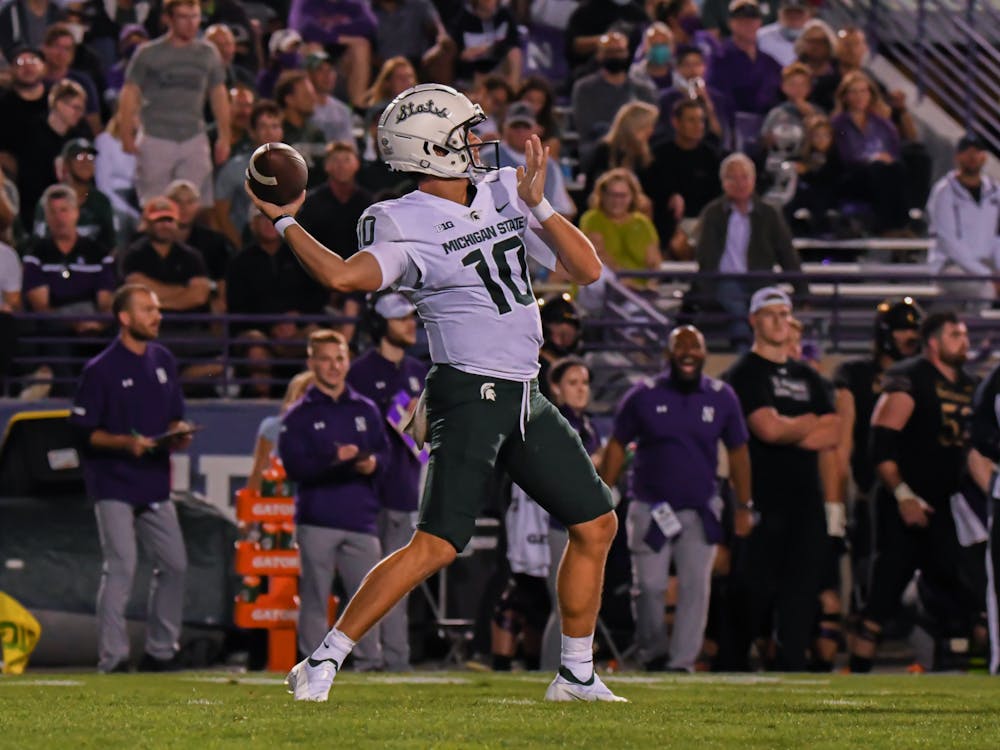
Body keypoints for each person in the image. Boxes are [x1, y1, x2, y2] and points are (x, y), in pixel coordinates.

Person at [245, 82, 623, 703]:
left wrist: (543, 208)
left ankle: (576, 673)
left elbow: (586, 271)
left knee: (596, 522)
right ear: (431, 150)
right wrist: (285, 219)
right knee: (438, 544)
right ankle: (323, 660)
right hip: (470, 390)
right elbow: (343, 275)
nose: (478, 141)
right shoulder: (399, 219)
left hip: (524, 392)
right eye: (464, 133)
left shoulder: (506, 187)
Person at [602, 325, 751, 672]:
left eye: (694, 346)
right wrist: (605, 491)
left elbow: (739, 451)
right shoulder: (642, 395)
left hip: (700, 508)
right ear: (668, 354)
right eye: (679, 346)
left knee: (696, 589)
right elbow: (617, 444)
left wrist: (744, 505)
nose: (687, 352)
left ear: (704, 353)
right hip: (649, 506)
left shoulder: (721, 396)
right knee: (650, 588)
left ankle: (682, 662)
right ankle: (652, 652)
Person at [69, 283, 194, 673]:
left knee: (175, 564)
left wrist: (178, 430)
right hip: (114, 482)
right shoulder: (100, 369)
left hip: (154, 481)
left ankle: (161, 650)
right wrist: (126, 443)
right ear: (124, 318)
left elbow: (175, 412)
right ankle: (114, 657)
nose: (157, 316)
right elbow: (84, 433)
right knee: (122, 566)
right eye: (147, 310)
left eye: (157, 309)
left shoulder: (163, 359)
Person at [848, 311, 978, 672]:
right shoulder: (910, 377)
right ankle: (854, 679)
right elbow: (881, 443)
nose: (964, 341)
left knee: (962, 595)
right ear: (933, 342)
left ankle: (954, 675)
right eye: (955, 334)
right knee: (880, 599)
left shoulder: (970, 384)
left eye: (965, 334)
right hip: (904, 505)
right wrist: (903, 494)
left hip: (951, 506)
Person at [720, 287, 842, 671]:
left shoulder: (808, 375)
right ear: (754, 320)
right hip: (761, 497)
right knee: (754, 587)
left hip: (806, 499)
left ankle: (792, 664)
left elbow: (834, 430)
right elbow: (766, 429)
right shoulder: (743, 373)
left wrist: (791, 425)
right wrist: (806, 423)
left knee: (803, 590)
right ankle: (735, 661)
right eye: (770, 314)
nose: (779, 322)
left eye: (785, 314)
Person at [278, 329, 390, 669]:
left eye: (339, 358)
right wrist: (334, 459)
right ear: (311, 363)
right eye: (325, 359)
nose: (333, 366)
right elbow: (294, 467)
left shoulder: (365, 408)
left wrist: (372, 463)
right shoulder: (298, 414)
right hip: (317, 519)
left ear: (348, 361)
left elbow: (386, 457)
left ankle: (370, 660)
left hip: (361, 519)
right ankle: (314, 665)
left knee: (369, 596)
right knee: (315, 597)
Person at [347, 293, 429, 672]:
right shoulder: (361, 372)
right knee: (365, 581)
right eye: (401, 318)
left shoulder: (419, 371)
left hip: (404, 489)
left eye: (412, 316)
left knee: (399, 582)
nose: (411, 323)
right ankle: (368, 657)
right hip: (365, 493)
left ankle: (397, 658)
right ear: (380, 324)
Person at [833, 298, 923, 617]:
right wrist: (841, 494)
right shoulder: (856, 374)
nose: (910, 336)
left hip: (918, 487)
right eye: (902, 329)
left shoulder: (925, 376)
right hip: (871, 487)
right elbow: (843, 438)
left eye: (914, 328)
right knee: (869, 564)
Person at [117, 0, 231, 207]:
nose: (191, 23)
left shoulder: (208, 53)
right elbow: (130, 92)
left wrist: (224, 135)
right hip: (156, 137)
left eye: (195, 17)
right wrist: (126, 133)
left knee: (196, 206)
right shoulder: (148, 53)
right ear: (168, 19)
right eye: (183, 17)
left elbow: (218, 94)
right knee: (154, 205)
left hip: (194, 137)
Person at [694, 153, 804, 346]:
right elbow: (704, 255)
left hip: (760, 280)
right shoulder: (713, 213)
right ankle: (745, 353)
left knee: (769, 310)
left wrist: (802, 289)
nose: (739, 183)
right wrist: (707, 285)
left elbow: (786, 253)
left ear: (753, 180)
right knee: (738, 309)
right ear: (723, 182)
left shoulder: (769, 214)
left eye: (744, 177)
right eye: (732, 178)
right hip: (725, 280)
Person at [926, 135, 1000, 308]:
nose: (972, 157)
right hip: (949, 266)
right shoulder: (944, 192)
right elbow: (949, 242)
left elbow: (997, 235)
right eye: (967, 152)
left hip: (986, 265)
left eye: (977, 152)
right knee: (986, 290)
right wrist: (987, 275)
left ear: (984, 156)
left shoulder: (995, 191)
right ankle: (979, 334)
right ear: (957, 157)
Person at [830, 70, 907, 234]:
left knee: (898, 168)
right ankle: (888, 227)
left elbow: (894, 152)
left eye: (863, 91)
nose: (859, 96)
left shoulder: (883, 124)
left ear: (870, 95)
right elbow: (845, 156)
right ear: (845, 96)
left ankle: (901, 225)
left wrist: (887, 159)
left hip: (881, 173)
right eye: (854, 92)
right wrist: (872, 159)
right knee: (878, 169)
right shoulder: (838, 124)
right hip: (852, 175)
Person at [571, 31, 657, 161]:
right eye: (610, 52)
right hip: (599, 148)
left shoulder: (644, 89)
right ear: (599, 55)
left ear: (627, 53)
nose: (615, 56)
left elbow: (651, 123)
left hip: (638, 148)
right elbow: (587, 127)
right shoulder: (584, 88)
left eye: (619, 51)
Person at [649, 99, 722, 250]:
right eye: (691, 120)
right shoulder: (659, 155)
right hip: (669, 224)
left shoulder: (711, 156)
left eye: (701, 121)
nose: (698, 126)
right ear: (676, 122)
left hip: (704, 223)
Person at [215, 99, 285, 249]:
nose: (270, 132)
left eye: (275, 126)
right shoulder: (234, 168)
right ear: (252, 132)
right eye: (263, 126)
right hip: (244, 244)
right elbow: (221, 213)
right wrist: (240, 246)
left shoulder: (293, 168)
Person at [287, 0, 377, 109]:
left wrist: (333, 30)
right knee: (314, 47)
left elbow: (370, 26)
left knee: (362, 46)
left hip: (342, 62)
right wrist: (338, 38)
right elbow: (305, 29)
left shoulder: (354, 3)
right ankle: (316, 107)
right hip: (308, 60)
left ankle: (358, 107)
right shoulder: (304, 2)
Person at [579, 168, 660, 287]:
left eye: (622, 195)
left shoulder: (643, 223)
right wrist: (627, 283)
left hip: (638, 289)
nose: (617, 200)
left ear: (632, 196)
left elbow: (654, 262)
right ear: (602, 195)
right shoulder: (592, 219)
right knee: (602, 276)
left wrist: (650, 284)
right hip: (605, 284)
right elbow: (598, 255)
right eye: (612, 194)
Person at [31, 138, 116, 251]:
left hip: (90, 265)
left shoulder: (100, 201)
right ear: (66, 164)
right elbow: (38, 244)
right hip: (55, 264)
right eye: (79, 157)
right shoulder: (51, 199)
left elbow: (111, 246)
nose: (86, 162)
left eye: (90, 157)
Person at [498, 103, 576, 219]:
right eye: (515, 126)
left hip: (539, 229)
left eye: (526, 126)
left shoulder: (547, 164)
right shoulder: (488, 157)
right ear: (505, 128)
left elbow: (566, 210)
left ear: (536, 129)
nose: (520, 131)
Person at [707, 0, 782, 119]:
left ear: (759, 23)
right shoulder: (720, 58)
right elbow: (717, 97)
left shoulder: (769, 62)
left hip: (768, 125)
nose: (748, 25)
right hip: (734, 124)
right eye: (742, 21)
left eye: (752, 20)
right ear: (731, 23)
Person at [246, 370, 315, 493]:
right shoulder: (272, 427)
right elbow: (258, 473)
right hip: (279, 502)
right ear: (294, 396)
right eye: (307, 391)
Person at [581, 101, 659, 201]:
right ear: (635, 127)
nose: (651, 131)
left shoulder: (647, 154)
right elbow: (593, 188)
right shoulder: (605, 151)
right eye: (647, 126)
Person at [450, 0, 521, 88]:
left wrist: (489, 48)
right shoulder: (463, 18)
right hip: (474, 71)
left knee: (514, 53)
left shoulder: (505, 14)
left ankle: (513, 89)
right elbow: (461, 53)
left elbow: (513, 43)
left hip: (498, 65)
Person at [305, 51, 355, 145]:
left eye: (330, 70)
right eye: (320, 70)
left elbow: (350, 145)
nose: (327, 75)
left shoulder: (342, 110)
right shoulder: (302, 108)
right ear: (309, 75)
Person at [756, 0, 811, 68]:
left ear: (807, 16)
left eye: (798, 12)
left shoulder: (815, 37)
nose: (793, 16)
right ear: (780, 14)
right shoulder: (761, 36)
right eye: (789, 12)